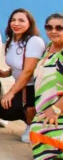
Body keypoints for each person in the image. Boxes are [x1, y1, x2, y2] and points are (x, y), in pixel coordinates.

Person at [0, 9, 45, 143]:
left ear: (30, 23)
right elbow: (17, 66)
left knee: (8, 106)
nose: (16, 23)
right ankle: (32, 120)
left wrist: (10, 93)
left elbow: (28, 71)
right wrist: (5, 73)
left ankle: (34, 124)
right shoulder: (13, 40)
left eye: (21, 20)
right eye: (13, 20)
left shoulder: (34, 41)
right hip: (23, 85)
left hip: (35, 87)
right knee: (3, 110)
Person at [29, 13, 63, 158]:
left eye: (59, 28)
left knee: (40, 131)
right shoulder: (48, 48)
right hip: (46, 107)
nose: (53, 31)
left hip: (58, 108)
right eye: (49, 27)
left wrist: (56, 109)